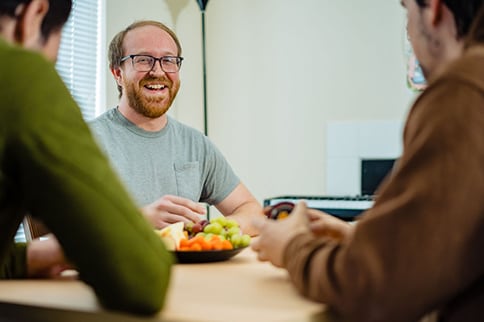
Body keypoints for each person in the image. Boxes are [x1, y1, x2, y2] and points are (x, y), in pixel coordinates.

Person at [252, 0, 484, 321]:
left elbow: (373, 290)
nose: (407, 32)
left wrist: (293, 246)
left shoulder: (463, 90)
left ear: (432, 9)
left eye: (406, 11)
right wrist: (363, 238)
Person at [0, 0, 173, 315]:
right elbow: (141, 280)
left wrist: (33, 257)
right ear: (35, 11)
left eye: (169, 60)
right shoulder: (22, 75)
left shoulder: (194, 141)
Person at [89, 20, 262, 235]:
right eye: (143, 60)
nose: (158, 71)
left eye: (169, 60)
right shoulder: (86, 140)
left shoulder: (196, 144)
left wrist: (210, 233)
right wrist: (140, 219)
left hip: (191, 268)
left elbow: (251, 211)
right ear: (117, 73)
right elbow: (65, 226)